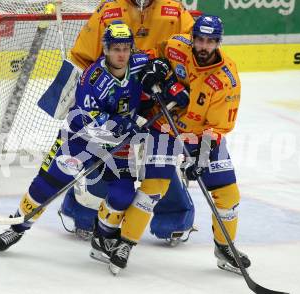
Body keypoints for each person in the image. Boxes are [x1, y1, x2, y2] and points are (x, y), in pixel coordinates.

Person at [101, 15, 252, 275]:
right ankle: (125, 243)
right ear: (192, 38)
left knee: (228, 194)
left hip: (202, 136)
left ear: (218, 43)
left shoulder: (227, 79)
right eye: (200, 40)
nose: (204, 46)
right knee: (153, 188)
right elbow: (151, 56)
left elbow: (218, 128)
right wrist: (155, 68)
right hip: (165, 128)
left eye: (210, 41)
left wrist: (201, 159)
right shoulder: (176, 45)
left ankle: (225, 247)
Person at [0, 23, 148, 253]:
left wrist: (165, 79)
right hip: (80, 138)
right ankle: (17, 226)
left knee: (123, 193)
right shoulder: (92, 78)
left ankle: (104, 237)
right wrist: (119, 124)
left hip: (118, 145)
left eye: (125, 48)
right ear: (106, 49)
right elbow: (86, 118)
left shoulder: (140, 64)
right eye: (116, 48)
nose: (121, 54)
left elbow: (161, 68)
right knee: (49, 182)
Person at [59, 0, 197, 244]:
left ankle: (174, 217)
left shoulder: (175, 10)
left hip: (158, 99)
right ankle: (85, 212)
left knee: (159, 161)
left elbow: (192, 55)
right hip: (113, 100)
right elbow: (83, 56)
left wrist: (173, 84)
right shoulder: (108, 9)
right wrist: (84, 100)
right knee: (103, 157)